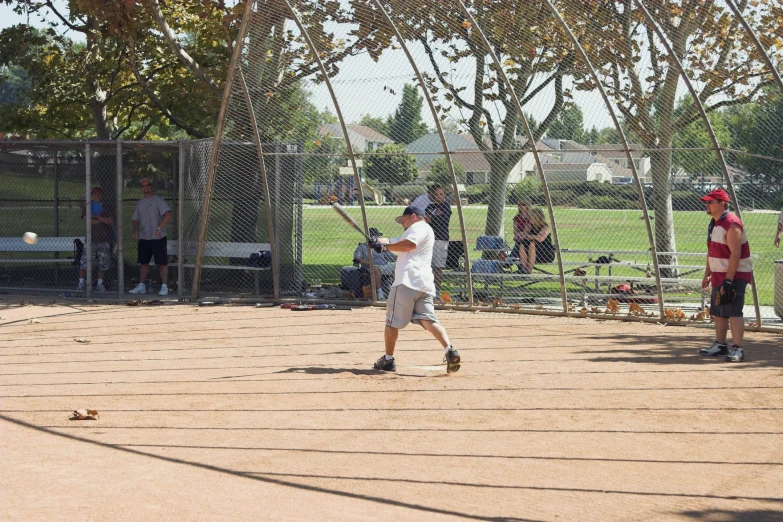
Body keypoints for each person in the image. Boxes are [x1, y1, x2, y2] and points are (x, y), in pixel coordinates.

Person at [368, 206, 461, 373]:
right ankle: (450, 350)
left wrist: (385, 247)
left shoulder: (419, 227)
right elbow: (394, 241)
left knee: (391, 323)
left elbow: (408, 245)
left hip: (407, 282)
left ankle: (388, 360)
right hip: (423, 285)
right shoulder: (421, 230)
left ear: (413, 216)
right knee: (429, 320)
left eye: (403, 219)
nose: (402, 223)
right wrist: (377, 241)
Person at [698, 188, 752, 363]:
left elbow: (735, 254)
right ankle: (721, 345)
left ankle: (738, 349)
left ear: (722, 203)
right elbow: (711, 251)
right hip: (718, 273)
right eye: (706, 202)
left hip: (734, 274)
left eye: (710, 202)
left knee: (734, 310)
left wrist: (729, 279)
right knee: (719, 310)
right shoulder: (714, 223)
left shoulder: (731, 223)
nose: (706, 205)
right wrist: (708, 274)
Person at [129, 178, 172, 296]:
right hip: (144, 237)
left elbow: (167, 215)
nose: (145, 187)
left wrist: (159, 228)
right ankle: (141, 285)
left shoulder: (158, 199)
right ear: (141, 188)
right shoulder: (140, 203)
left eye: (147, 185)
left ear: (151, 186)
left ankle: (164, 286)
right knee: (143, 262)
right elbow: (134, 219)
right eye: (143, 186)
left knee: (162, 262)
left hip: (158, 237)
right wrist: (136, 230)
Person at [77, 187, 113, 293]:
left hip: (104, 239)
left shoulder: (107, 206)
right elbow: (87, 220)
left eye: (99, 193)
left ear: (101, 195)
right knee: (85, 262)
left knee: (103, 262)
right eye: (95, 194)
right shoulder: (88, 206)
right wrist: (100, 219)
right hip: (91, 239)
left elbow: (110, 221)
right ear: (92, 195)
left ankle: (100, 284)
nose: (97, 196)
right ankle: (81, 283)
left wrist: (97, 217)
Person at [423, 185, 452, 295]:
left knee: (438, 267)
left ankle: (436, 291)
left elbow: (443, 221)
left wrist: (432, 219)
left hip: (440, 238)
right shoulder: (429, 207)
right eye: (437, 194)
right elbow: (426, 220)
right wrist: (433, 219)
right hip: (428, 239)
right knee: (427, 266)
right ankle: (427, 290)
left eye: (442, 194)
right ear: (432, 195)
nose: (440, 196)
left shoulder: (446, 206)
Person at [353, 227, 396, 300]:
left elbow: (392, 257)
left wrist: (402, 258)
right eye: (376, 236)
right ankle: (380, 293)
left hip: (384, 267)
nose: (378, 238)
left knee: (397, 265)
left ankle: (396, 291)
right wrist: (370, 264)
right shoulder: (362, 247)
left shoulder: (381, 246)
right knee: (375, 268)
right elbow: (358, 259)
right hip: (370, 268)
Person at [515, 208, 554, 274]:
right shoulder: (530, 225)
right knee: (522, 244)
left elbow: (540, 238)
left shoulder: (545, 227)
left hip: (545, 253)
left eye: (530, 217)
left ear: (536, 218)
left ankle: (529, 271)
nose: (528, 218)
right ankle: (523, 269)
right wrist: (518, 235)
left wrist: (527, 236)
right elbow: (524, 233)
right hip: (531, 253)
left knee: (532, 244)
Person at [509, 199, 531, 271]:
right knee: (519, 241)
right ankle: (522, 269)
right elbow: (515, 232)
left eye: (523, 204)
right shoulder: (517, 218)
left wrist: (521, 234)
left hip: (529, 239)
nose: (521, 206)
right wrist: (518, 235)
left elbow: (528, 231)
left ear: (527, 206)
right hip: (519, 239)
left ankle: (511, 258)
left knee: (519, 242)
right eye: (519, 205)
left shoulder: (531, 217)